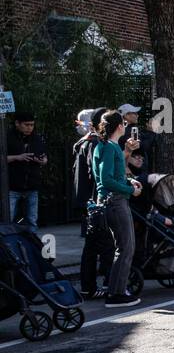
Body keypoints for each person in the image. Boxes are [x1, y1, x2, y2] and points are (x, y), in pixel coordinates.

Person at [91, 110, 143, 308]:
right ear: (120, 126)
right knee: (126, 247)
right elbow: (105, 180)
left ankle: (117, 290)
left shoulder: (108, 146)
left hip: (114, 200)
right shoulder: (108, 147)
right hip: (115, 201)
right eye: (123, 122)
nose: (126, 125)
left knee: (124, 247)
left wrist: (130, 181)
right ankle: (116, 293)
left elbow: (112, 175)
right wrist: (130, 189)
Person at [72, 109, 113, 297]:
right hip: (95, 200)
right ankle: (107, 284)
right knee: (106, 244)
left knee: (91, 245)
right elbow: (96, 174)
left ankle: (88, 286)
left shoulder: (83, 143)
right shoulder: (94, 144)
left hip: (85, 199)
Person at [6, 110, 47, 229]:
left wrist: (41, 160)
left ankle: (32, 244)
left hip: (32, 184)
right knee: (9, 218)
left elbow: (45, 158)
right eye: (27, 125)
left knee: (32, 220)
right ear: (17, 123)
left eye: (32, 125)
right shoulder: (7, 138)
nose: (30, 128)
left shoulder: (37, 138)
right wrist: (18, 157)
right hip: (12, 185)